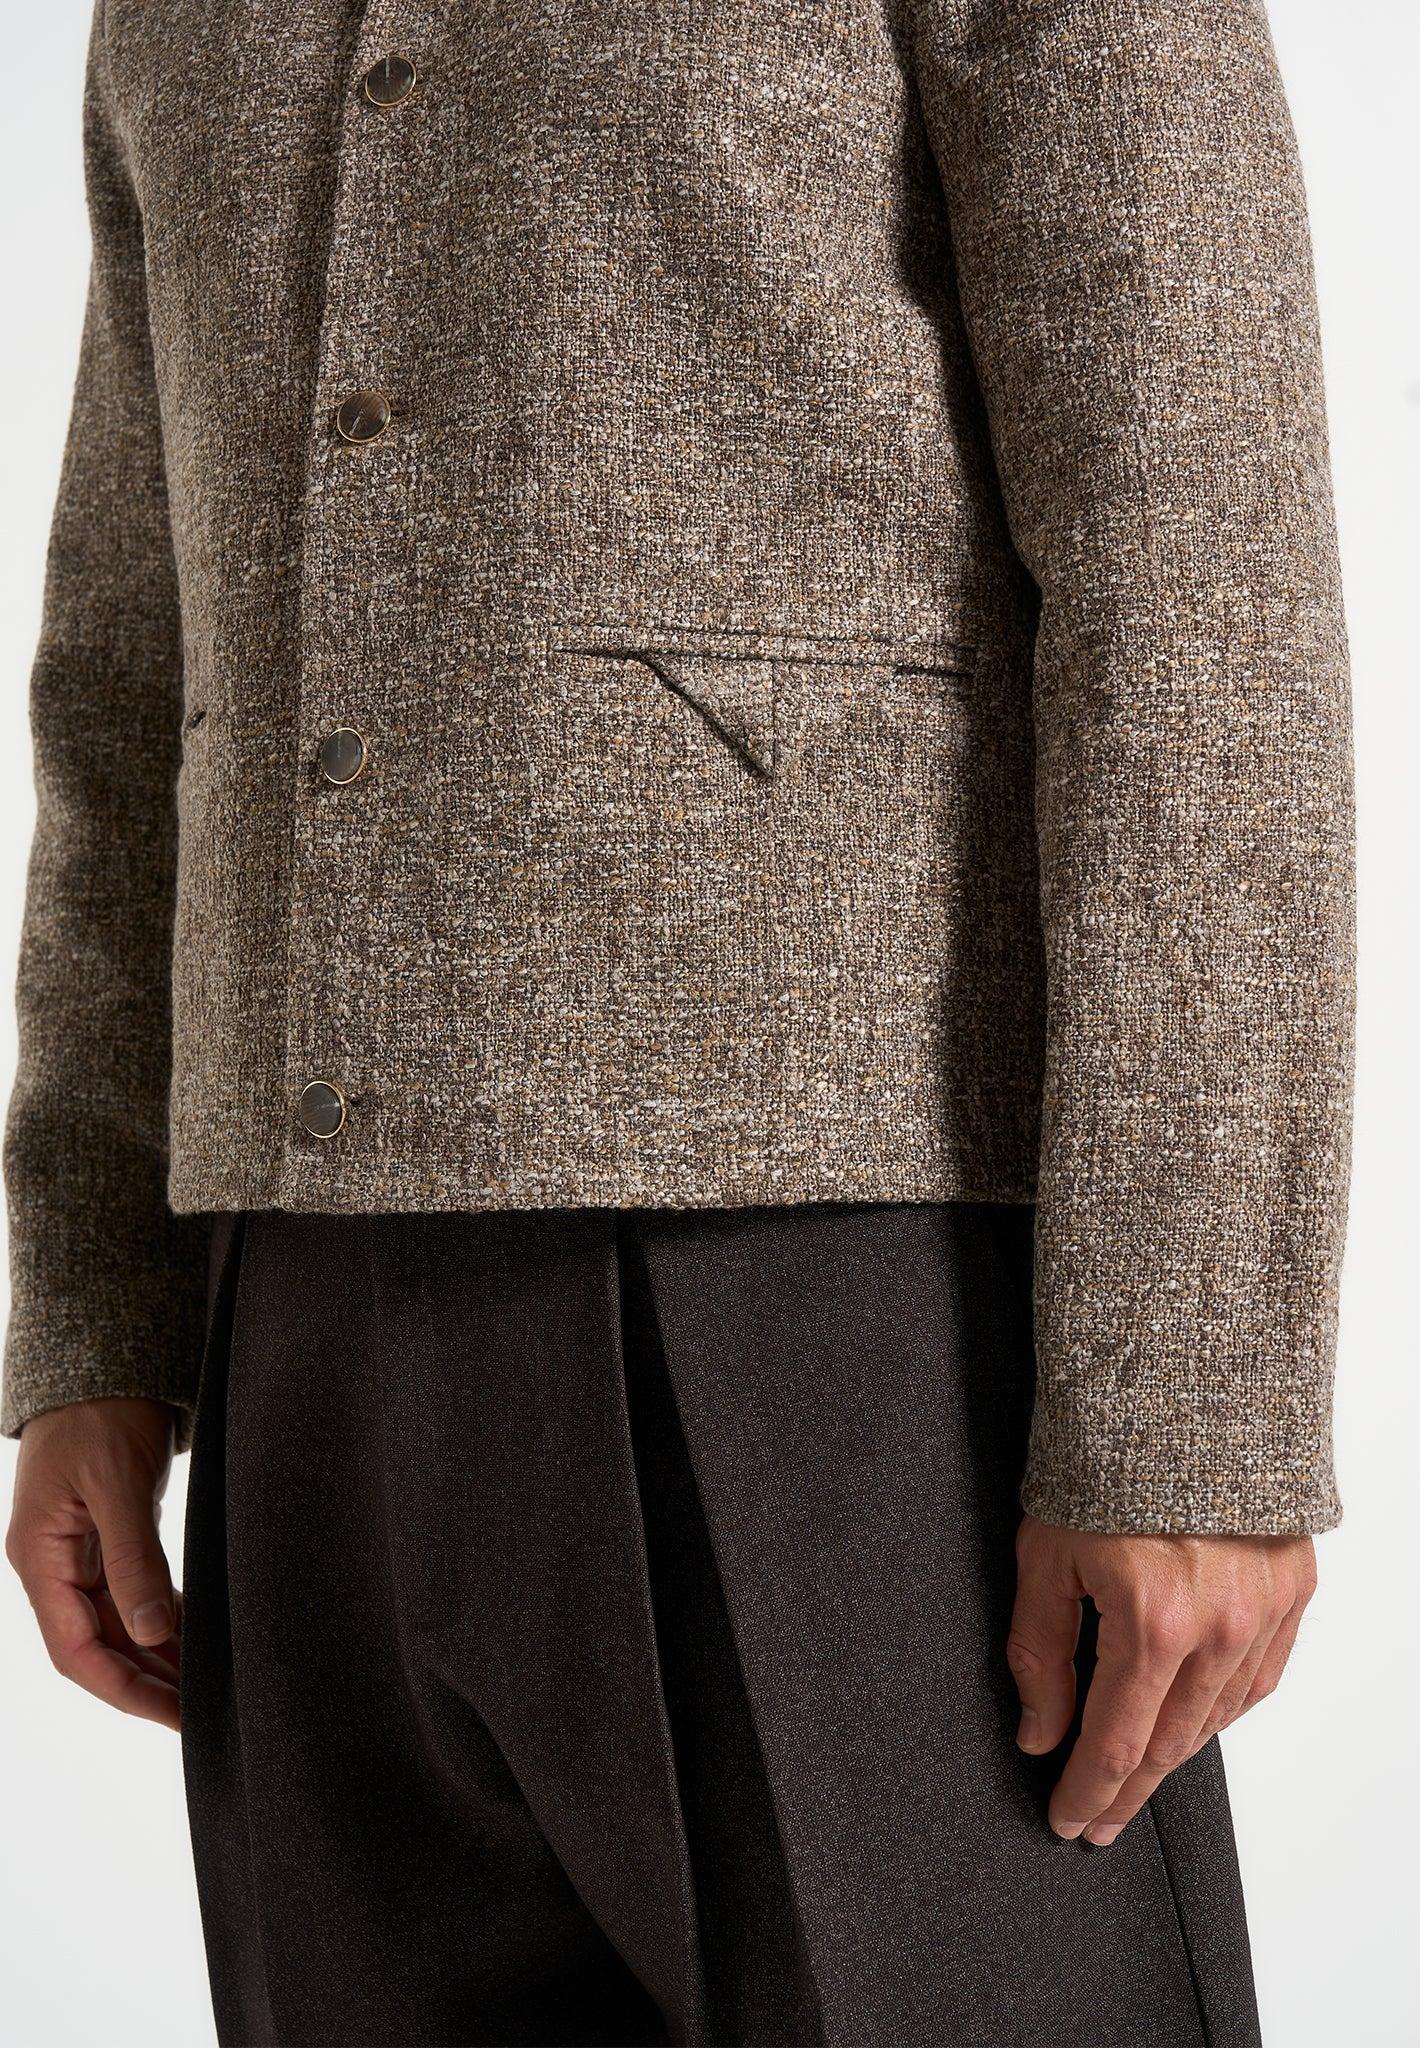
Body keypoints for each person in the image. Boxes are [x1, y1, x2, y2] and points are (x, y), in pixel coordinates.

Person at [3, 2, 1351, 2044]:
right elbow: (128, 650)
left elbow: (1199, 576)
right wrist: (96, 1316)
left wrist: (1191, 1401)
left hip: (850, 1306)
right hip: (297, 1341)